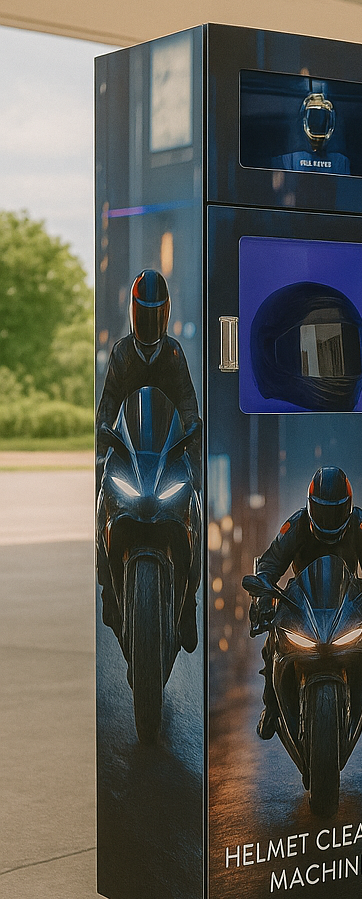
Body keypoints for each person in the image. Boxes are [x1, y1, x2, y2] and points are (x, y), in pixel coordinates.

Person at [96, 269, 202, 652]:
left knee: (195, 500)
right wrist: (103, 432)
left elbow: (188, 400)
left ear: (166, 313)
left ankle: (188, 603)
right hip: (130, 452)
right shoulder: (123, 353)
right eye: (145, 312)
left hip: (166, 452)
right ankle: (109, 590)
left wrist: (194, 429)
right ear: (133, 313)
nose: (150, 320)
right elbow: (109, 400)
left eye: (156, 313)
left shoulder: (174, 354)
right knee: (101, 492)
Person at [250, 465, 362, 738]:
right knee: (272, 642)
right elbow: (270, 563)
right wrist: (262, 596)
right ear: (311, 506)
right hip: (301, 604)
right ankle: (271, 705)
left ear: (348, 506)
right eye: (323, 510)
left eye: (335, 510)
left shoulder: (361, 524)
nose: (329, 517)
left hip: (348, 601)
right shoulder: (294, 525)